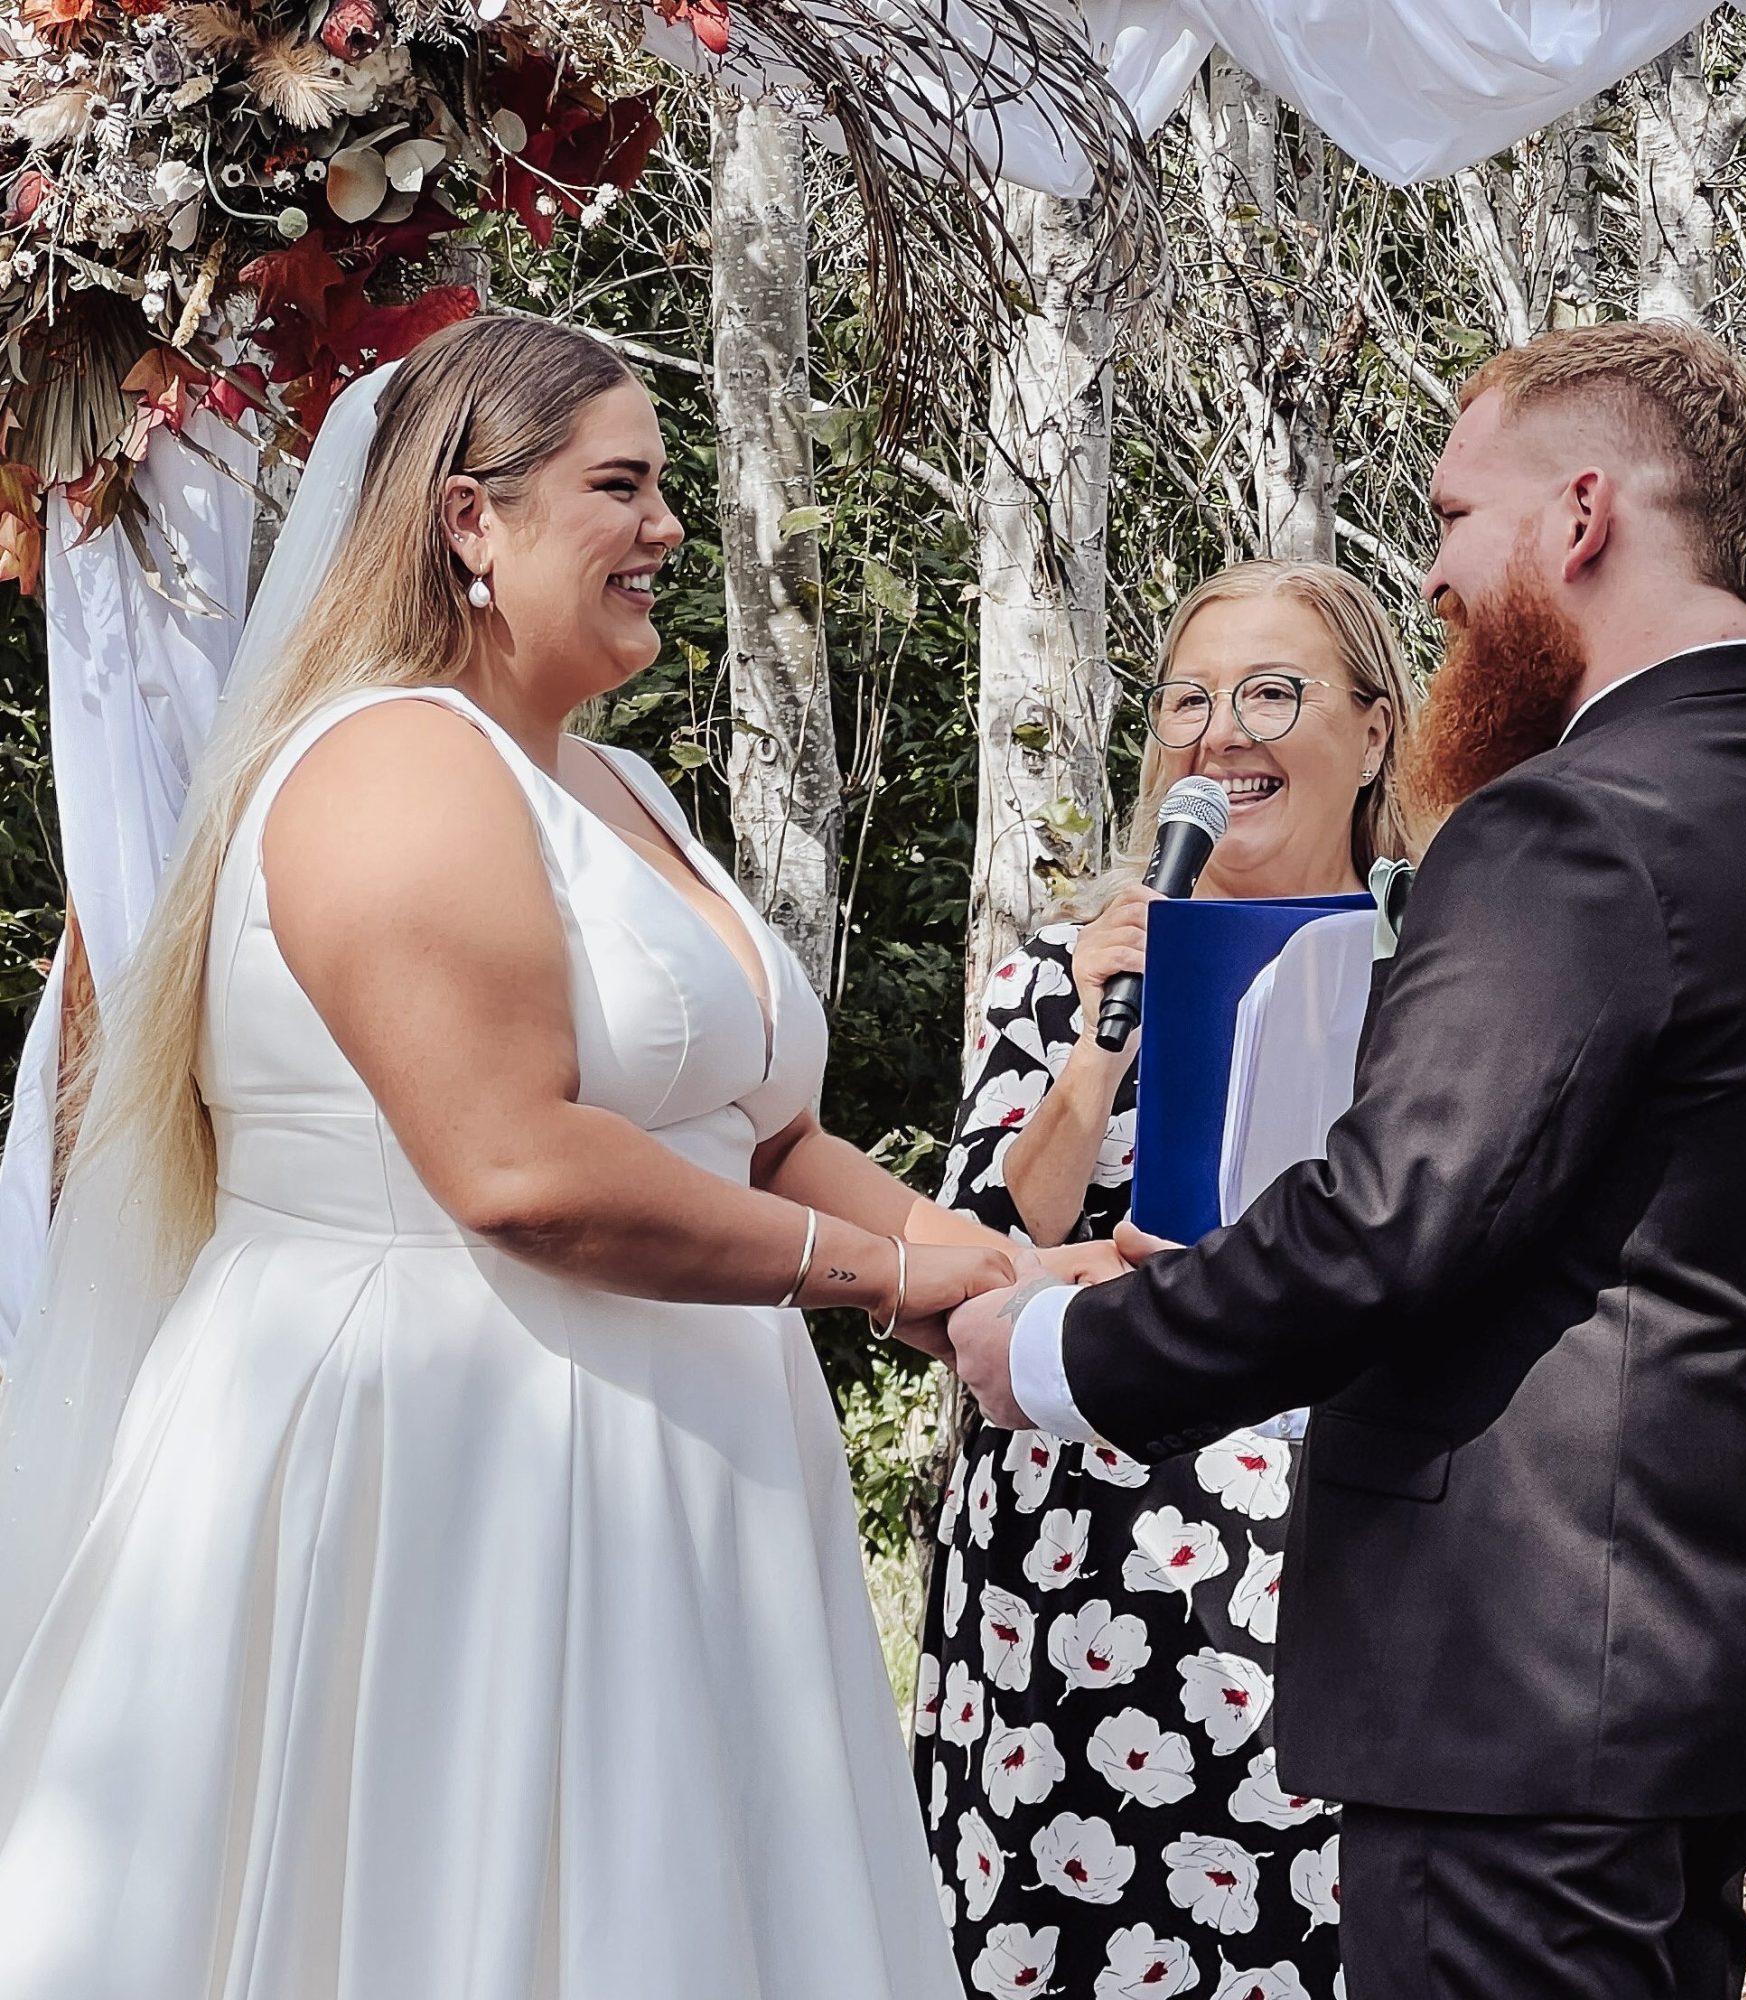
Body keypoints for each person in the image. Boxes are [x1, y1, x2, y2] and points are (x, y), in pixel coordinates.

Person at [0, 313, 1117, 1998]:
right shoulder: (388, 763)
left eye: (664, 485)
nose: (666, 525)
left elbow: (767, 1136)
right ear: (471, 518)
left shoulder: (621, 785)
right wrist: (885, 1275)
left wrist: (1008, 1275)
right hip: (458, 1461)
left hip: (680, 1463)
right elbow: (513, 1166)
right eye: (620, 486)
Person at [950, 320, 1746, 2000]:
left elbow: (1387, 1219)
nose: (1440, 572)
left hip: (1522, 1688)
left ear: (1583, 515)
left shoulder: (1573, 825)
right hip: (1687, 1667)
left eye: (1461, 516)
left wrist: (1056, 1350)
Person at [913, 561, 1416, 1999]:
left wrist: (1101, 1275)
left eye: (1273, 692)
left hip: (1329, 1555)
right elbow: (964, 1255)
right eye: (1189, 700)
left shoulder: (1434, 970)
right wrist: (1099, 1042)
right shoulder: (1060, 972)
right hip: (1066, 1571)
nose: (1222, 732)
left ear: (1374, 731)